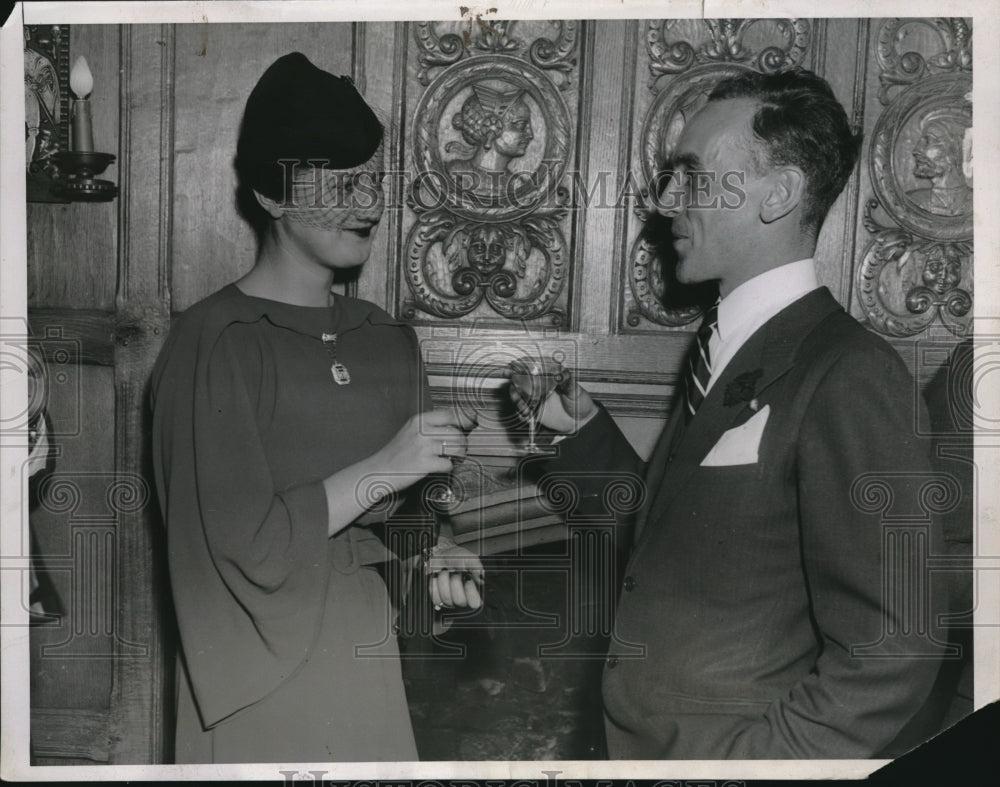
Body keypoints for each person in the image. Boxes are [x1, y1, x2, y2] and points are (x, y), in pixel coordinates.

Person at [510, 68, 946, 759]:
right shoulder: (722, 348)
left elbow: (895, 648)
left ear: (778, 194)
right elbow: (675, 549)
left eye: (692, 175)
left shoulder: (852, 374)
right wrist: (586, 435)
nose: (662, 200)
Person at [150, 52, 482, 764]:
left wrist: (434, 561)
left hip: (367, 670)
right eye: (338, 180)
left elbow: (401, 532)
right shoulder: (214, 343)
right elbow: (231, 552)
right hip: (256, 687)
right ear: (272, 194)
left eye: (372, 178)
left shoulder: (388, 339)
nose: (366, 201)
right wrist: (379, 471)